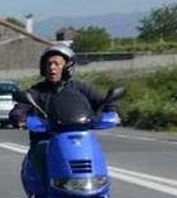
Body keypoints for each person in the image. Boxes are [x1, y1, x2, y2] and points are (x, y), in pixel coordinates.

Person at [9, 45, 116, 184]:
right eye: (48, 64)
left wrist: (113, 112)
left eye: (57, 64)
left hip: (78, 140)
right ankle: (41, 196)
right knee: (40, 154)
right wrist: (20, 118)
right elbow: (19, 109)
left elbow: (105, 102)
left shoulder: (81, 88)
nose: (52, 67)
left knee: (94, 156)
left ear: (68, 66)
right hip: (47, 142)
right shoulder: (37, 91)